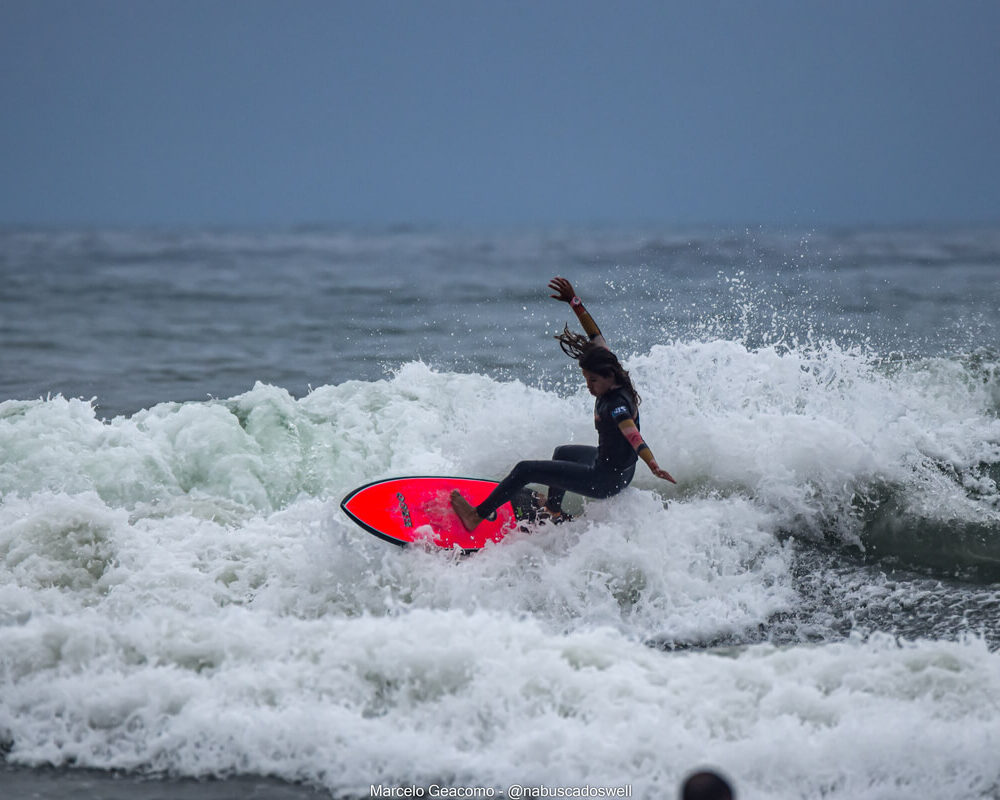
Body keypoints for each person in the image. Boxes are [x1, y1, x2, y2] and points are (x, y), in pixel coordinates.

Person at [450, 276, 675, 532]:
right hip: (619, 471)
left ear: (608, 376)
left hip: (604, 481)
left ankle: (475, 516)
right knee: (563, 452)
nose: (589, 386)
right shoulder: (613, 370)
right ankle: (553, 509)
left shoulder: (616, 406)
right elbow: (595, 334)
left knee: (525, 470)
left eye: (593, 381)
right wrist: (573, 301)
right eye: (585, 379)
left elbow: (633, 435)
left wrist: (653, 464)